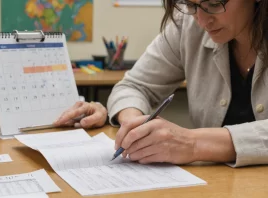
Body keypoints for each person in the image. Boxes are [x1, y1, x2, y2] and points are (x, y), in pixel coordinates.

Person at [54, 0, 268, 167]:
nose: (202, 21)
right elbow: (133, 86)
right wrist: (134, 124)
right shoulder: (187, 25)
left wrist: (193, 143)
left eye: (213, 4)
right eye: (191, 5)